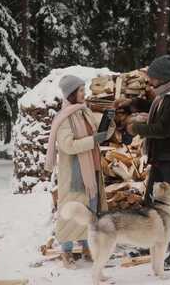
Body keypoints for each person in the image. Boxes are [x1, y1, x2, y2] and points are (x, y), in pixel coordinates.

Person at [123, 55, 170, 270]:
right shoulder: (167, 93)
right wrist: (133, 104)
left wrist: (135, 128)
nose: (150, 82)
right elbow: (155, 106)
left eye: (153, 78)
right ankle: (149, 240)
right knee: (151, 200)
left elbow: (163, 129)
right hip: (161, 155)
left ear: (164, 78)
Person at [45, 75, 114, 269]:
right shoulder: (64, 117)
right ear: (72, 93)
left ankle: (86, 247)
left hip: (90, 170)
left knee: (90, 209)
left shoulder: (84, 112)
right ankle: (66, 252)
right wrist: (93, 140)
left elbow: (97, 134)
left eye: (84, 89)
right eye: (81, 90)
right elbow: (67, 145)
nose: (85, 93)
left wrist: (107, 127)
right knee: (70, 211)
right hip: (74, 173)